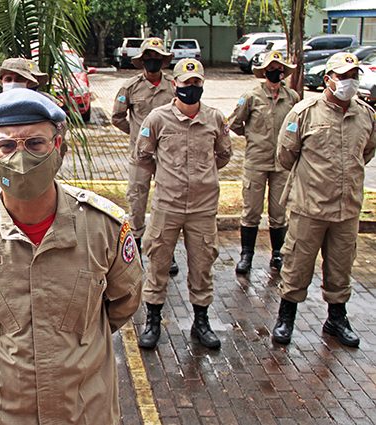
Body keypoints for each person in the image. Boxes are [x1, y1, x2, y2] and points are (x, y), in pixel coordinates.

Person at [0, 89, 143, 424]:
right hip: (0, 412)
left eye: (35, 143)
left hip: (83, 411)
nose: (21, 157)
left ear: (57, 146)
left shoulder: (104, 227)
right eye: (7, 146)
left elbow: (124, 301)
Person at [271, 52, 375, 348]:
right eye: (343, 76)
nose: (349, 82)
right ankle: (286, 317)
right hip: (310, 207)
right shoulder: (304, 112)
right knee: (296, 265)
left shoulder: (366, 115)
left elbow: (367, 151)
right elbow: (285, 155)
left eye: (353, 76)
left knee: (341, 267)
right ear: (328, 79)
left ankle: (336, 319)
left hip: (347, 208)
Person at [134, 59, 232, 350]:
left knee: (202, 265)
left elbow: (224, 155)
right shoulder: (157, 118)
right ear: (174, 84)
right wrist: (166, 175)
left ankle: (201, 322)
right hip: (168, 205)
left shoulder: (215, 119)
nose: (191, 87)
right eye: (186, 82)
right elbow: (143, 155)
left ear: (202, 84)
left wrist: (203, 176)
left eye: (196, 82)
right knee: (158, 263)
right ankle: (153, 321)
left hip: (203, 207)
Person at [111, 37, 180, 276]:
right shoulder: (130, 87)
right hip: (140, 156)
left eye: (157, 57)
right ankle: (135, 254)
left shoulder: (173, 86)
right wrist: (137, 135)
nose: (153, 61)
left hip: (167, 156)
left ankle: (167, 253)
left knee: (168, 203)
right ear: (142, 61)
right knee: (136, 202)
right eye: (148, 57)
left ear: (163, 60)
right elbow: (117, 117)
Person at [228, 51, 300, 274]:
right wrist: (252, 136)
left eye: (279, 69)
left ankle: (277, 254)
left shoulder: (292, 98)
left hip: (282, 163)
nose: (275, 72)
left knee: (279, 212)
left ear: (283, 72)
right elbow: (234, 122)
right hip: (256, 161)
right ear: (264, 72)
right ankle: (246, 254)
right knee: (251, 210)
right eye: (271, 69)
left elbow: (298, 126)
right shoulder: (251, 96)